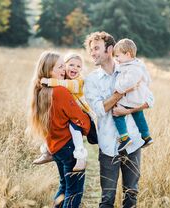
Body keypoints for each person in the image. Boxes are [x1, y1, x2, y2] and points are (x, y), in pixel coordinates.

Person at [84, 31, 149, 208]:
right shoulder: (91, 80)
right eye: (91, 50)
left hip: (133, 143)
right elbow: (99, 109)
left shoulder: (131, 69)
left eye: (97, 48)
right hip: (107, 146)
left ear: (110, 49)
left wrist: (128, 110)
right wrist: (123, 91)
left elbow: (149, 100)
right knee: (106, 199)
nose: (93, 53)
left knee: (131, 195)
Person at [28, 51, 90, 207]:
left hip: (55, 147)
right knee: (74, 191)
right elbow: (80, 118)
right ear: (49, 70)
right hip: (68, 147)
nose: (64, 70)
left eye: (64, 66)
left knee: (64, 187)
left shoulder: (40, 90)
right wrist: (88, 126)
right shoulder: (60, 91)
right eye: (60, 67)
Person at [36, 54, 96, 171]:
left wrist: (48, 81)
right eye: (71, 65)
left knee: (75, 129)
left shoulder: (78, 81)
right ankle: (47, 151)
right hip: (69, 112)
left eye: (78, 66)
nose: (75, 68)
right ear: (65, 66)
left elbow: (66, 85)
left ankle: (80, 156)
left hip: (81, 111)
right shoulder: (62, 80)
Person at [113, 38, 154, 152]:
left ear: (127, 54)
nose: (116, 59)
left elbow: (129, 82)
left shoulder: (132, 68)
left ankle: (125, 137)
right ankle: (146, 136)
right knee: (139, 117)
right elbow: (148, 80)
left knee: (117, 115)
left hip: (130, 99)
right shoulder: (138, 64)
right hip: (138, 99)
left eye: (118, 56)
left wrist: (118, 88)